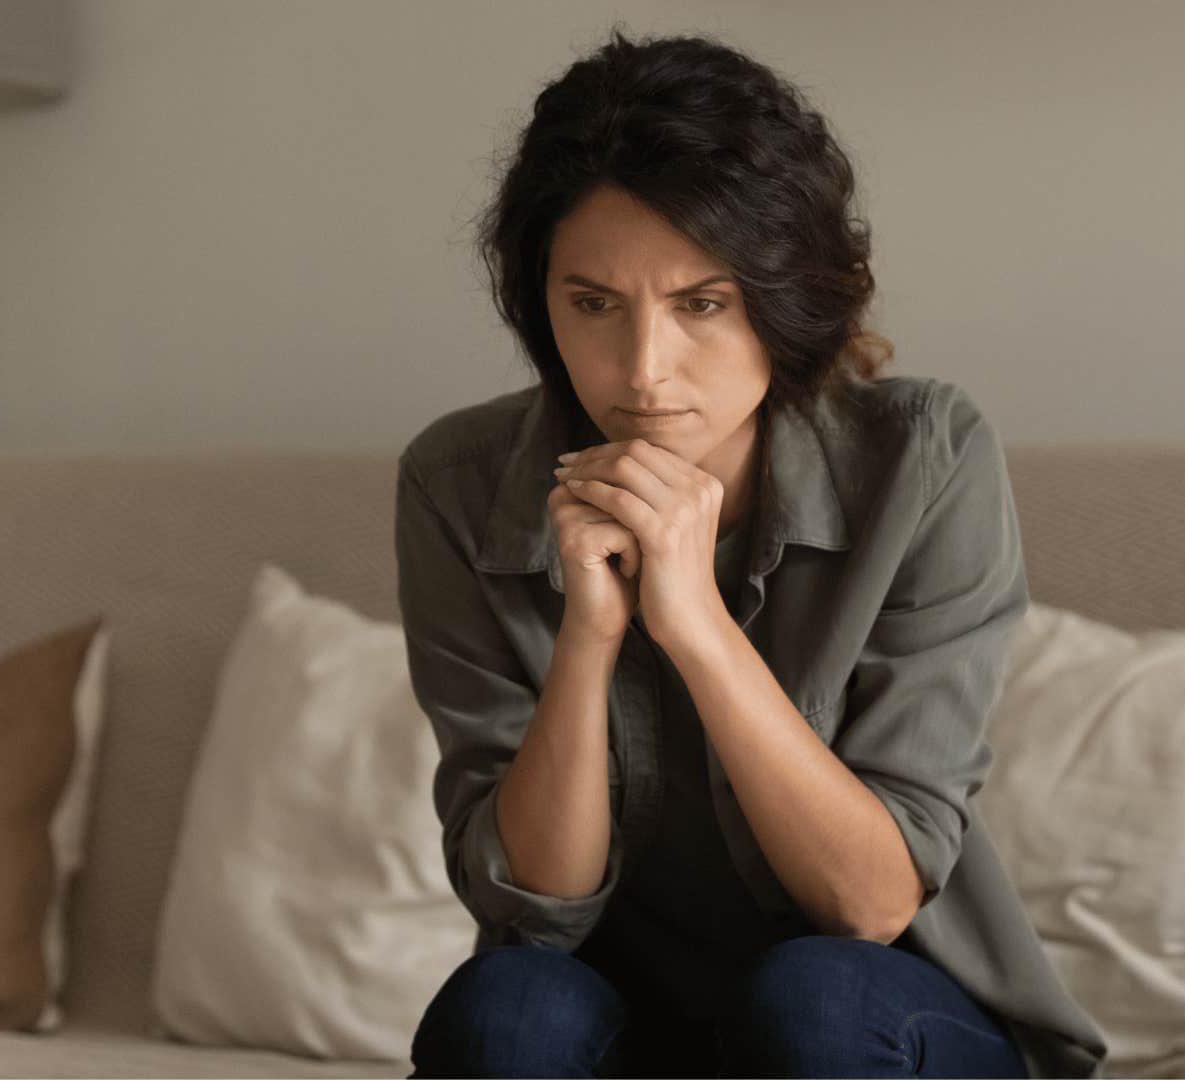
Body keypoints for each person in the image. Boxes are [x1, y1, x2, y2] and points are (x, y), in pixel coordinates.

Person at [394, 25, 1108, 1079]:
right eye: (593, 304)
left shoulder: (924, 458)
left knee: (813, 997)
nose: (643, 371)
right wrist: (591, 639)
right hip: (624, 1026)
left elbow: (868, 904)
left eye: (702, 305)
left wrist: (695, 626)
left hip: (880, 1022)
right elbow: (532, 907)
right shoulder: (457, 483)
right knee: (503, 1011)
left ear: (782, 298)